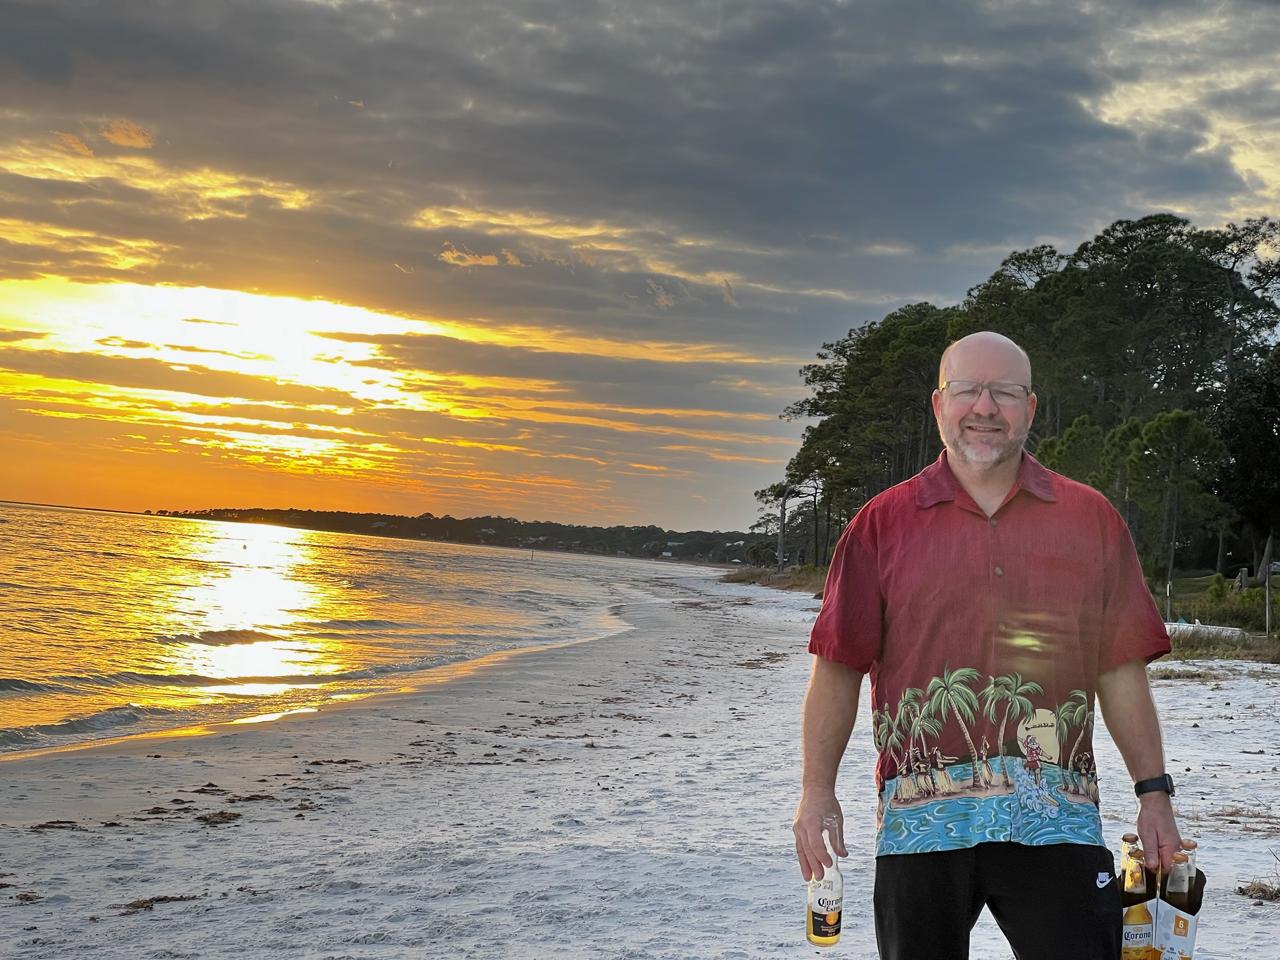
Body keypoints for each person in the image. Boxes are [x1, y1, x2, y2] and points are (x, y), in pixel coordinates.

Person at [792, 331, 1181, 960]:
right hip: (920, 829)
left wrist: (1154, 794)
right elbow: (838, 667)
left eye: (1004, 392)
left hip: (1058, 822)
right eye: (969, 390)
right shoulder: (881, 525)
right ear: (940, 404)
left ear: (1030, 407)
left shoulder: (1091, 519)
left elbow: (1119, 670)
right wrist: (816, 793)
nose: (985, 407)